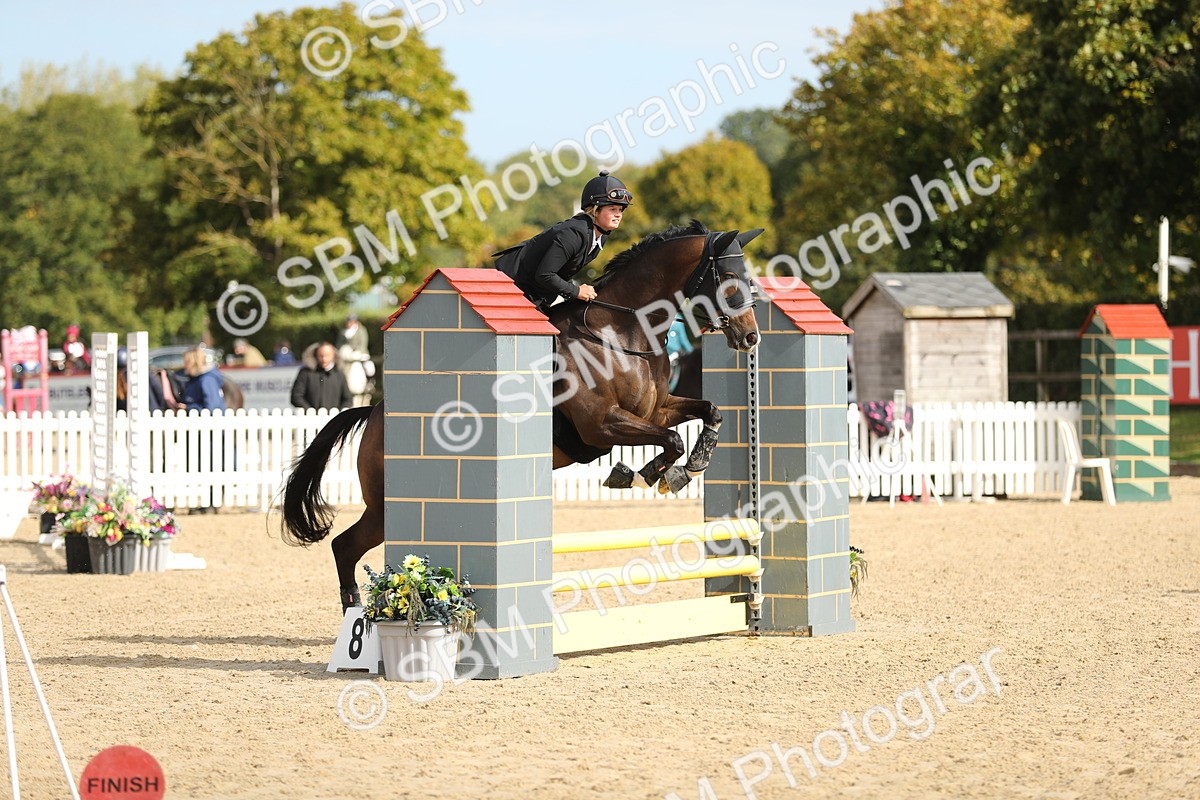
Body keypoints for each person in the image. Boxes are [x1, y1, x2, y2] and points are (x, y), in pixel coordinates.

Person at [493, 170, 632, 311]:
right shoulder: (573, 233)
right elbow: (545, 275)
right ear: (595, 210)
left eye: (621, 210)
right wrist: (576, 291)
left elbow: (562, 272)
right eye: (612, 209)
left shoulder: (601, 236)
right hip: (508, 286)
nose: (618, 215)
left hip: (533, 293)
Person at [290, 342, 353, 410]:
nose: (324, 359)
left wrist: (340, 413)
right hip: (309, 418)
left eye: (327, 355)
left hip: (335, 417)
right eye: (321, 356)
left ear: (333, 355)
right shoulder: (305, 373)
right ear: (316, 355)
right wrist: (310, 411)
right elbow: (296, 396)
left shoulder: (339, 374)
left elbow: (347, 399)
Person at [176, 347, 226, 412]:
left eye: (186, 362)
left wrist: (188, 407)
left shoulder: (207, 380)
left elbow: (212, 407)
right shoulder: (195, 378)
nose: (184, 365)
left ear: (193, 363)